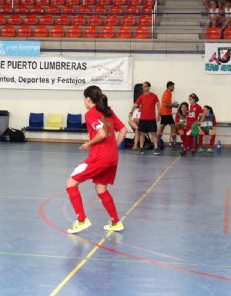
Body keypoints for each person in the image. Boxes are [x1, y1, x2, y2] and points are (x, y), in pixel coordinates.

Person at [65, 85, 127, 234]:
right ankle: (116, 222)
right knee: (101, 188)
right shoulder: (108, 111)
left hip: (100, 157)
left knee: (71, 183)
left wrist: (89, 143)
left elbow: (102, 133)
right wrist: (114, 147)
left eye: (84, 99)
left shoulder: (91, 114)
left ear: (88, 99)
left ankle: (81, 220)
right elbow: (123, 129)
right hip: (112, 157)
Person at [130, 81, 160, 155]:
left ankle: (156, 148)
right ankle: (141, 148)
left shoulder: (154, 96)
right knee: (142, 133)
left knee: (154, 133)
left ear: (148, 87)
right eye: (143, 86)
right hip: (143, 119)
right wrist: (131, 112)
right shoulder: (141, 96)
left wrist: (159, 115)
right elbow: (135, 105)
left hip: (151, 119)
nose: (143, 87)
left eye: (145, 86)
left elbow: (158, 105)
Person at [158, 81, 178, 148]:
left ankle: (157, 141)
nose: (174, 88)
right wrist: (174, 105)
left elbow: (166, 104)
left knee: (162, 128)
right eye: (173, 86)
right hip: (166, 113)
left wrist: (173, 106)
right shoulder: (167, 93)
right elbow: (165, 104)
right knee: (173, 127)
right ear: (170, 86)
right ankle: (174, 143)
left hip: (165, 113)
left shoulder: (167, 93)